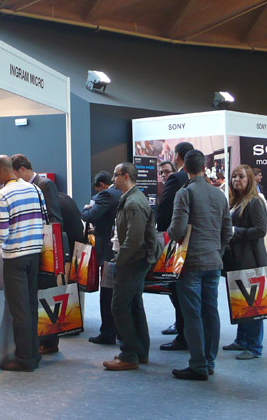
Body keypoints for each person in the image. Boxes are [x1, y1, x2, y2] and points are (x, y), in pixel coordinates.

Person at [0, 155, 46, 372]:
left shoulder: (1, 195)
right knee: (31, 307)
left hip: (15, 257)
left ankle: (24, 359)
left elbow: (1, 235)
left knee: (19, 310)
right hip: (34, 253)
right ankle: (34, 354)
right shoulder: (35, 189)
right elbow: (44, 220)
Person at [168, 149, 232, 381]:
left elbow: (177, 230)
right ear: (204, 168)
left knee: (192, 314)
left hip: (191, 263)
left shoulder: (185, 193)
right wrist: (217, 250)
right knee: (211, 311)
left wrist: (169, 233)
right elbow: (227, 232)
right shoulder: (219, 195)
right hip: (213, 261)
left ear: (184, 168)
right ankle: (209, 361)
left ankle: (198, 365)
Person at [103, 162, 157, 371]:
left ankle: (129, 355)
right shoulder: (132, 199)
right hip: (135, 260)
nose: (112, 179)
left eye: (115, 175)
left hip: (132, 262)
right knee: (134, 305)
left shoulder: (133, 202)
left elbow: (134, 240)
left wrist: (120, 259)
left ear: (125, 176)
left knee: (119, 306)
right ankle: (139, 351)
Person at [11, 153, 64, 355]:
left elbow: (54, 218)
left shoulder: (45, 185)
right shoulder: (28, 187)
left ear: (22, 170)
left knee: (47, 292)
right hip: (33, 247)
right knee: (37, 293)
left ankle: (50, 341)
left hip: (45, 247)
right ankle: (41, 339)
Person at [222, 165, 267, 360]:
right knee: (240, 302)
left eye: (241, 176)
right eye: (234, 176)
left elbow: (261, 230)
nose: (236, 180)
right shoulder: (236, 201)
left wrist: (235, 231)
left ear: (250, 179)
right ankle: (242, 340)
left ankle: (254, 346)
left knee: (254, 305)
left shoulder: (255, 202)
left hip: (251, 260)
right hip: (237, 259)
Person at [155, 141, 194, 349]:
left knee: (176, 287)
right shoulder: (204, 182)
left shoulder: (177, 178)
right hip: (196, 243)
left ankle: (183, 333)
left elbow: (164, 211)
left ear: (177, 156)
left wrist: (162, 233)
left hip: (176, 242)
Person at [82, 171, 122, 345]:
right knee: (118, 292)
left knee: (107, 292)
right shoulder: (122, 193)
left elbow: (90, 216)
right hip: (119, 249)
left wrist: (86, 209)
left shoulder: (106, 195)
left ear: (101, 186)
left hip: (108, 250)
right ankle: (119, 331)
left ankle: (107, 332)